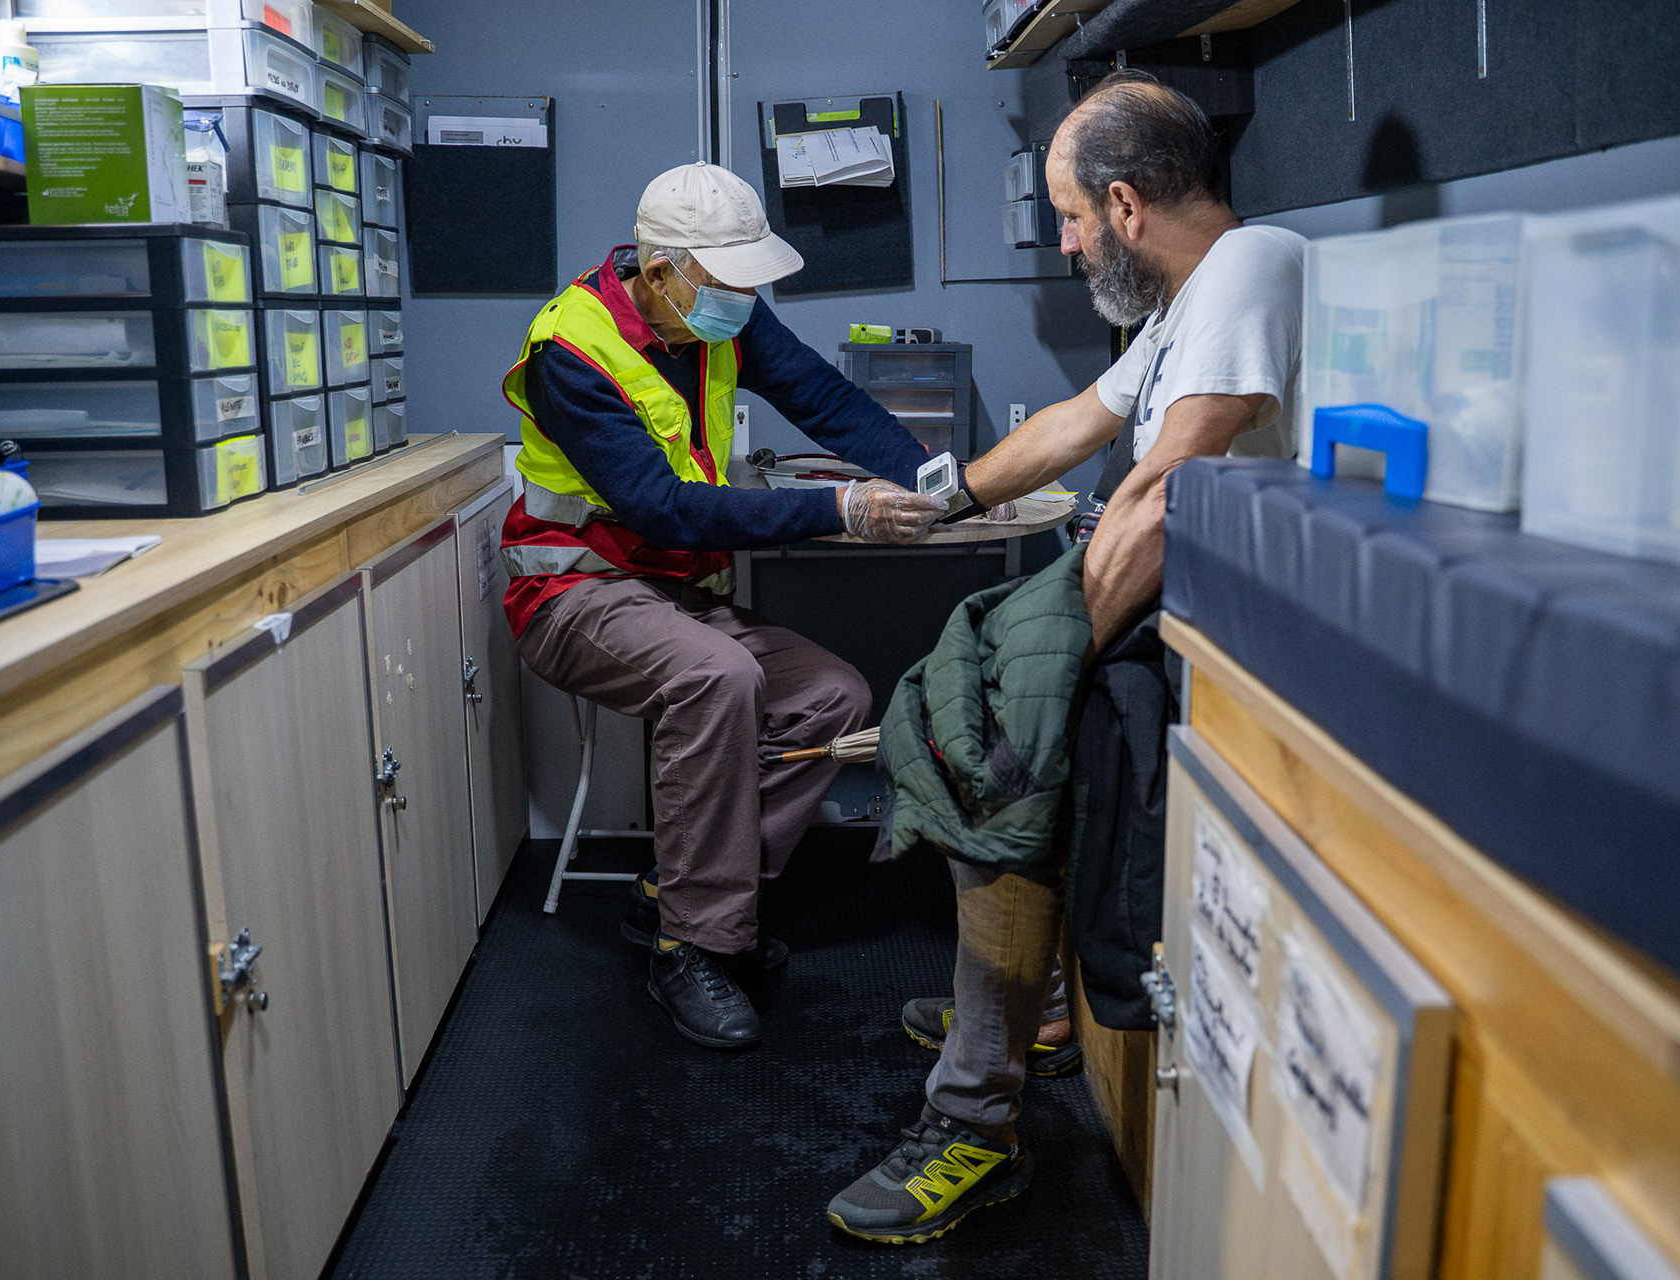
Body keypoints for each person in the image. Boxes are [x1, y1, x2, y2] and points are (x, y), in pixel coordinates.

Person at [826, 72, 1305, 1242]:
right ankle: (1034, 1010)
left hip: (1211, 635)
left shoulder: (1251, 268)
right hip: (1157, 601)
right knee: (973, 710)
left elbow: (1166, 492)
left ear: (1127, 204)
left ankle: (975, 1121)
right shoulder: (1188, 300)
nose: (1067, 241)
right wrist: (940, 502)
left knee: (993, 760)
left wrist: (1048, 669)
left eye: (1075, 217)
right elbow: (1074, 424)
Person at [501, 161, 949, 1051]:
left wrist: (943, 481)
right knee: (718, 676)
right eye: (729, 280)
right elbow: (663, 508)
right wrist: (840, 508)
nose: (745, 300)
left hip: (678, 595)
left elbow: (826, 399)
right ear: (660, 271)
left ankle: (684, 889)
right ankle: (693, 944)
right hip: (571, 590)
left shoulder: (720, 311)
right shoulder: (571, 349)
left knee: (833, 696)